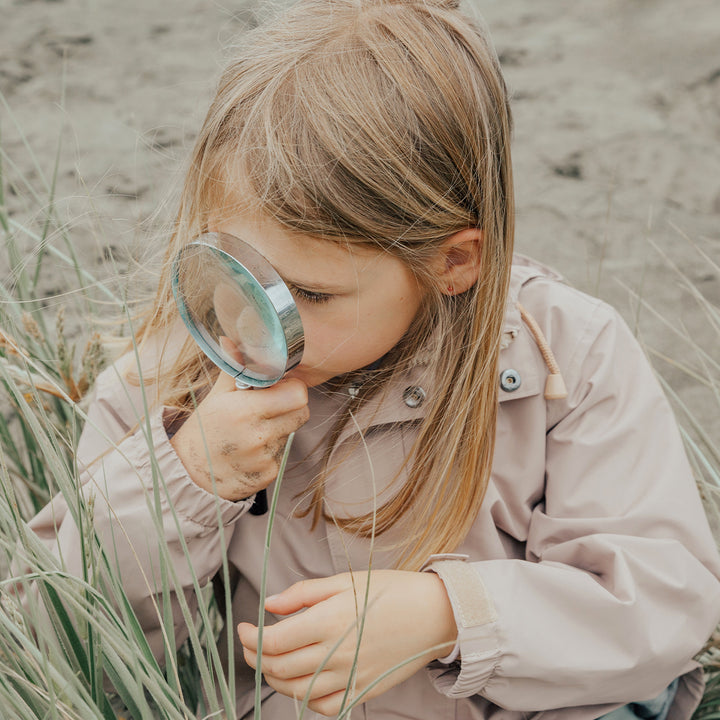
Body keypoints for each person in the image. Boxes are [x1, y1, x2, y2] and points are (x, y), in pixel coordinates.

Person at [28, 0, 720, 717]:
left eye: (311, 295)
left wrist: (449, 616)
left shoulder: (567, 356)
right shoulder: (172, 386)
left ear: (453, 260)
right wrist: (185, 478)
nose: (253, 322)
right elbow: (66, 632)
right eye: (233, 269)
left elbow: (659, 605)